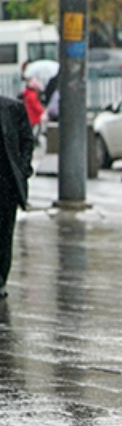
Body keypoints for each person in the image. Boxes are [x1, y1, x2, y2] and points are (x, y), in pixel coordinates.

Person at [0, 96, 35, 299]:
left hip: (7, 183)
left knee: (4, 233)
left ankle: (1, 277)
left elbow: (27, 140)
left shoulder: (13, 109)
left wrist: (23, 171)